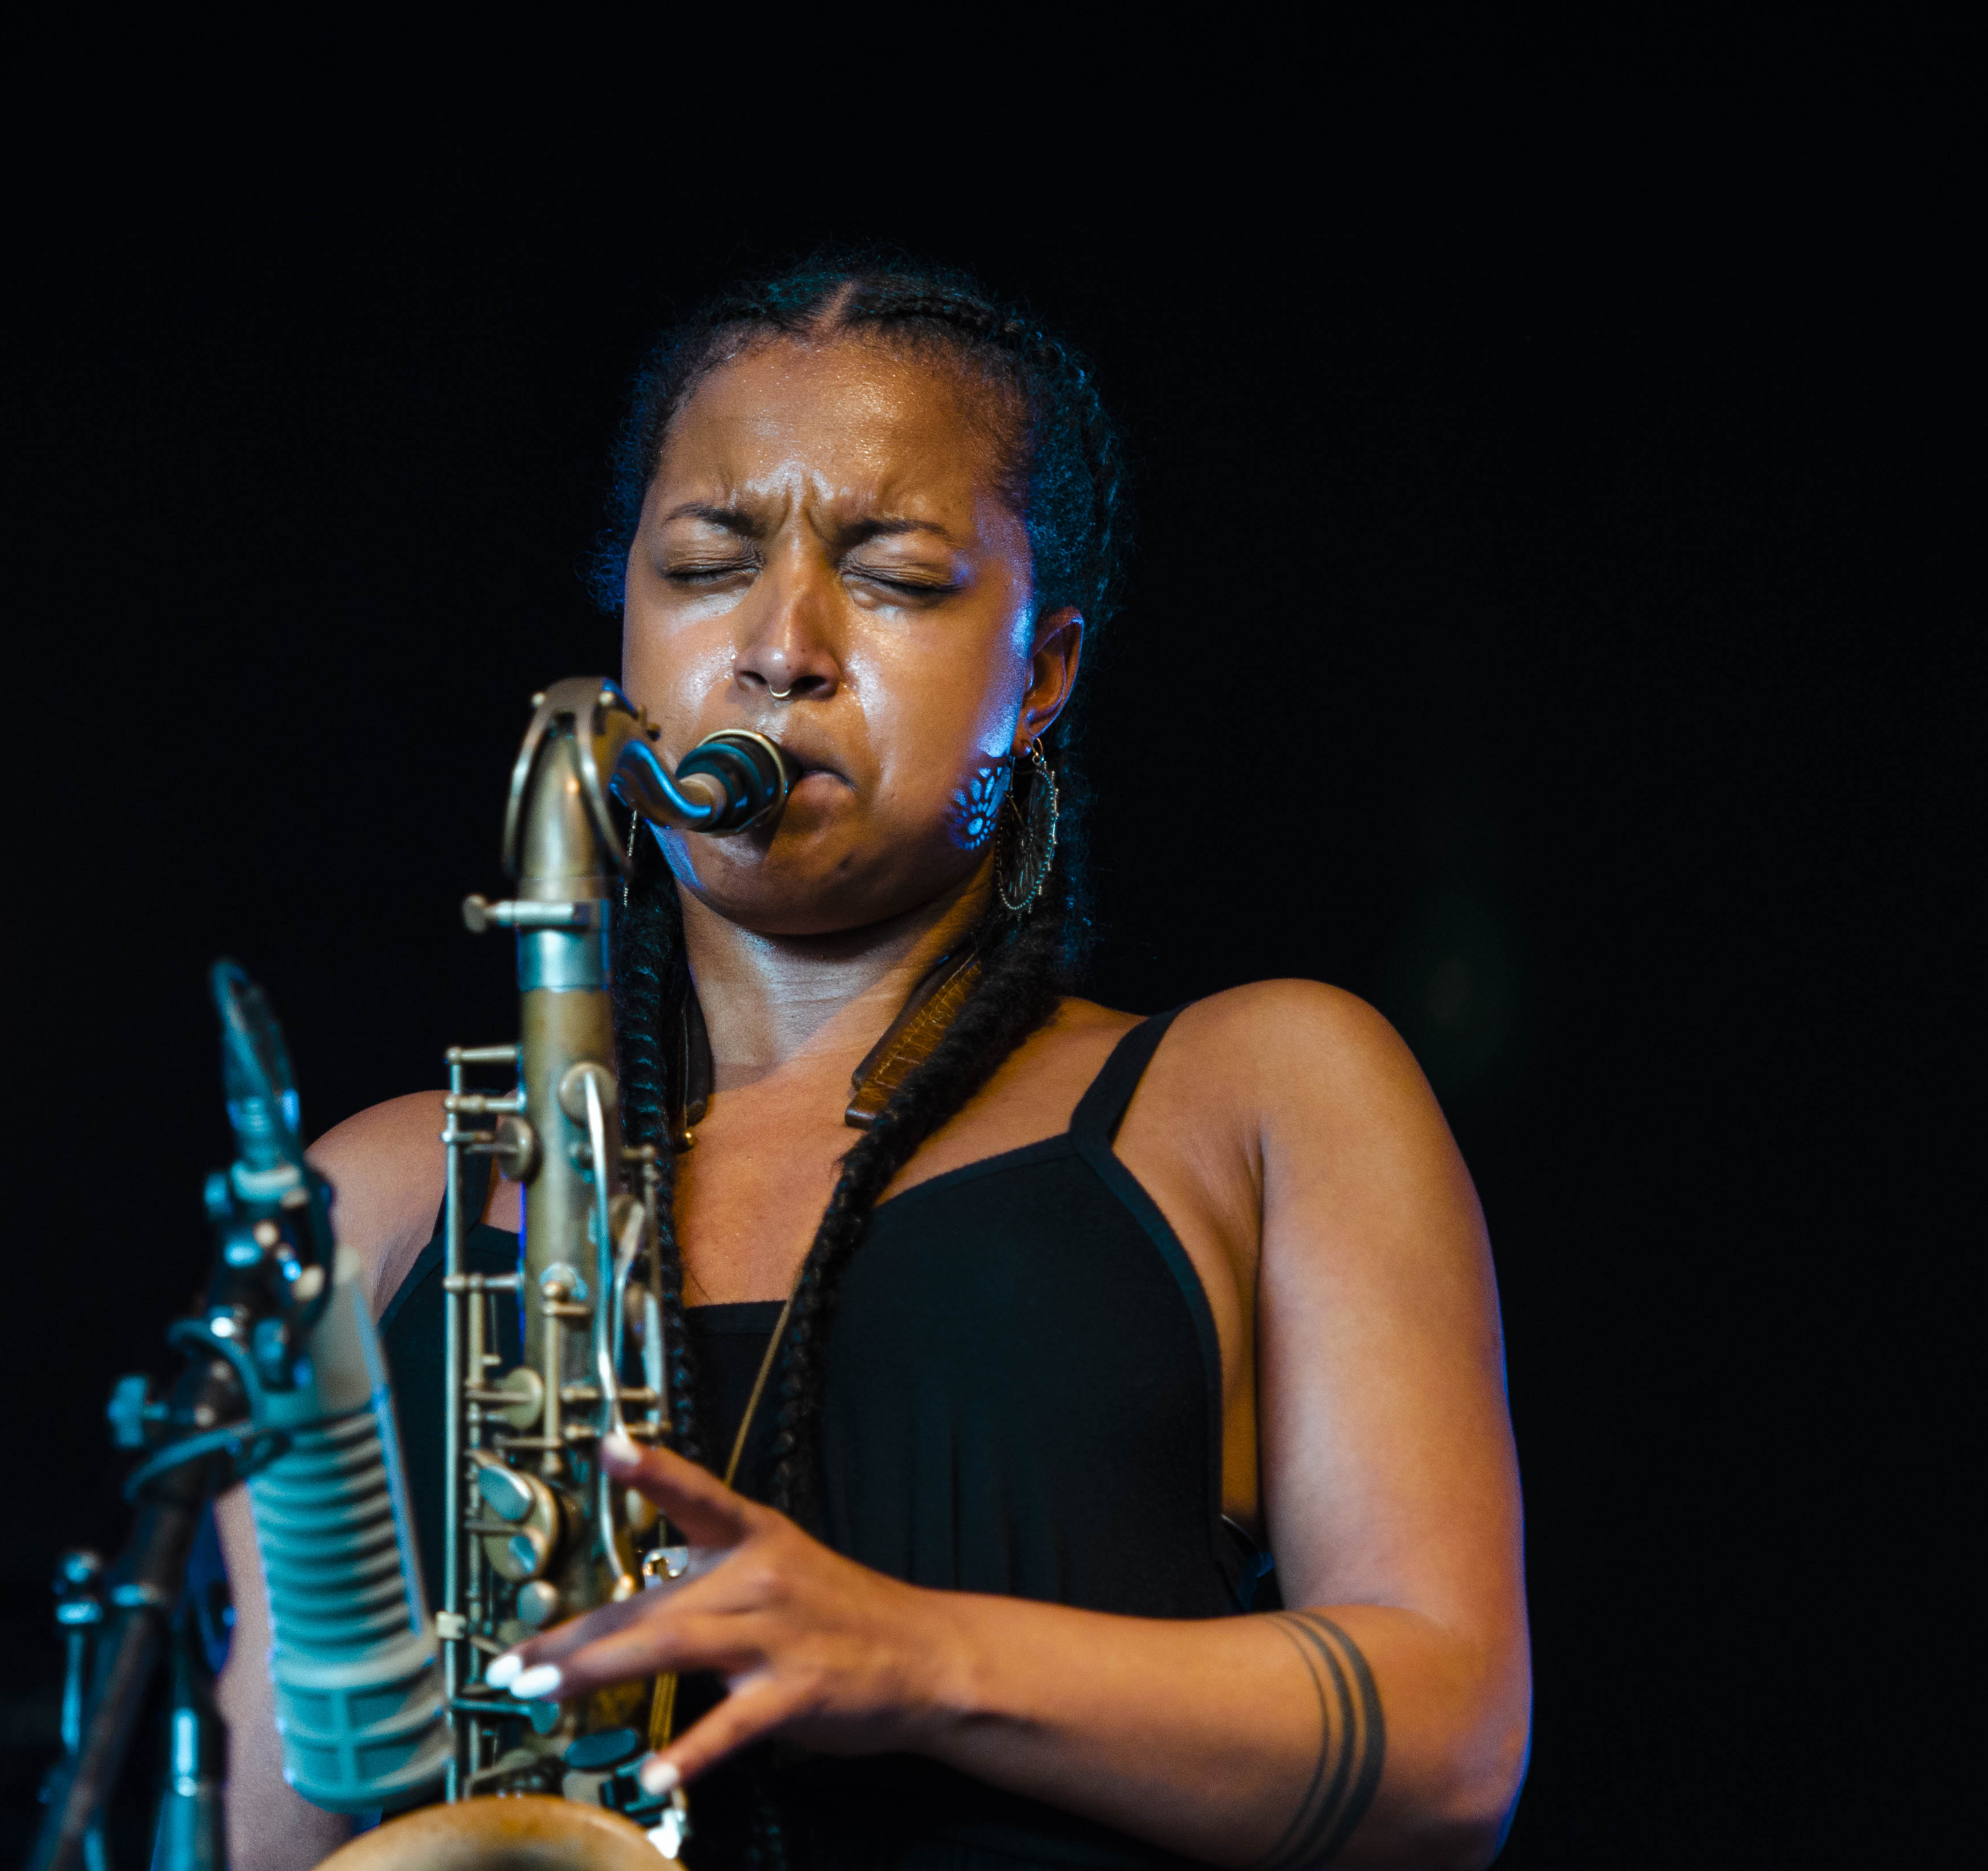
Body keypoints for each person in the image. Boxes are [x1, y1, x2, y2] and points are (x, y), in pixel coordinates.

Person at [211, 261, 1530, 1870]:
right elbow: (268, 1837)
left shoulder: (1260, 1095)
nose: (781, 650)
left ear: (1042, 675)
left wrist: (906, 1657)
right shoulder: (378, 1198)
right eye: (705, 566)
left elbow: (1450, 1750)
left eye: (895, 578)